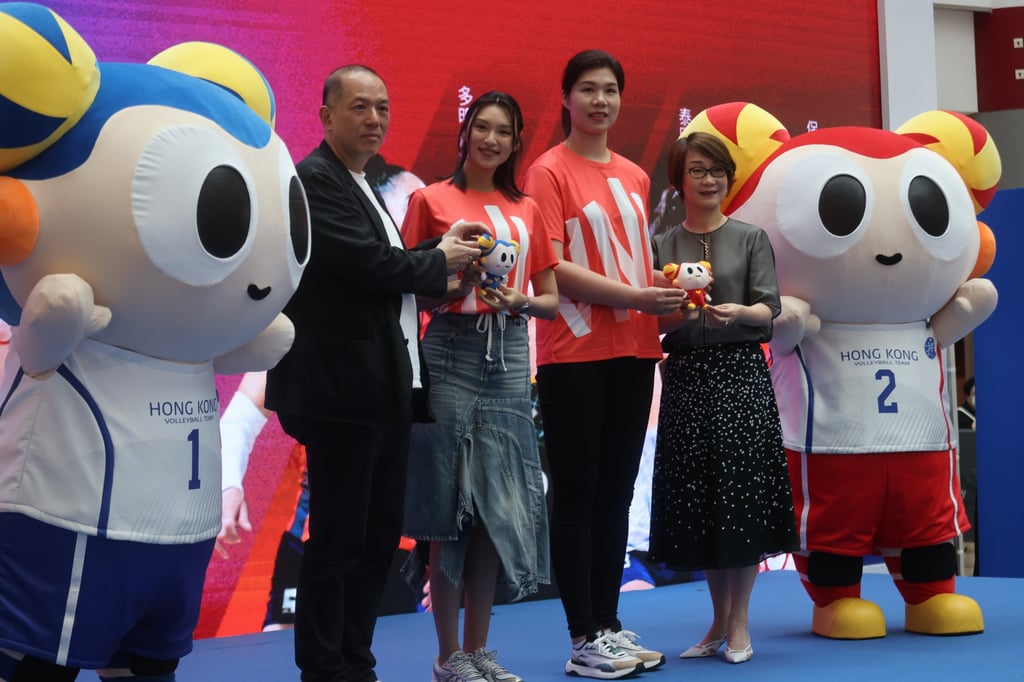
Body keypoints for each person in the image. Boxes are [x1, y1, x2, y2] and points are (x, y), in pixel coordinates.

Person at [264, 64, 483, 682]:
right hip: (340, 392)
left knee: (376, 535)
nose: (374, 119)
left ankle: (356, 662)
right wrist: (438, 258)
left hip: (384, 389)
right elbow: (368, 265)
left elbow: (389, 279)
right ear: (326, 115)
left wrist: (445, 269)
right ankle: (325, 668)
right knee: (337, 540)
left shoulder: (360, 183)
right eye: (359, 107)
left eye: (382, 107)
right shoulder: (312, 179)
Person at [522, 49, 687, 679]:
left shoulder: (635, 175)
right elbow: (555, 272)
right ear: (565, 98)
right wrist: (639, 295)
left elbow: (633, 261)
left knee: (616, 494)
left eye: (611, 90)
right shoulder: (547, 172)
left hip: (636, 347)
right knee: (579, 493)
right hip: (574, 352)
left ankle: (609, 625)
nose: (600, 101)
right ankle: (582, 634)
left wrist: (668, 293)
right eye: (587, 90)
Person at [399, 90, 559, 682]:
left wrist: (519, 300)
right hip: (449, 351)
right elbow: (411, 288)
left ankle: (479, 650)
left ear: (517, 143)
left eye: (504, 132)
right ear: (464, 133)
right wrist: (457, 277)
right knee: (449, 511)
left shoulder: (528, 207)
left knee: (497, 509)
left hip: (511, 354)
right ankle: (447, 657)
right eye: (481, 128)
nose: (491, 139)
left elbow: (548, 298)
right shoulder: (430, 199)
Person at [648, 131, 799, 664]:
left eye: (717, 171)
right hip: (686, 378)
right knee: (702, 504)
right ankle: (716, 622)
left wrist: (738, 313)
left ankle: (739, 625)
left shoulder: (750, 237)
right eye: (697, 170)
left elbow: (770, 309)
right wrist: (680, 313)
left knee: (738, 500)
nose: (709, 180)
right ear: (679, 180)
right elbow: (653, 320)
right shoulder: (662, 243)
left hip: (740, 374)